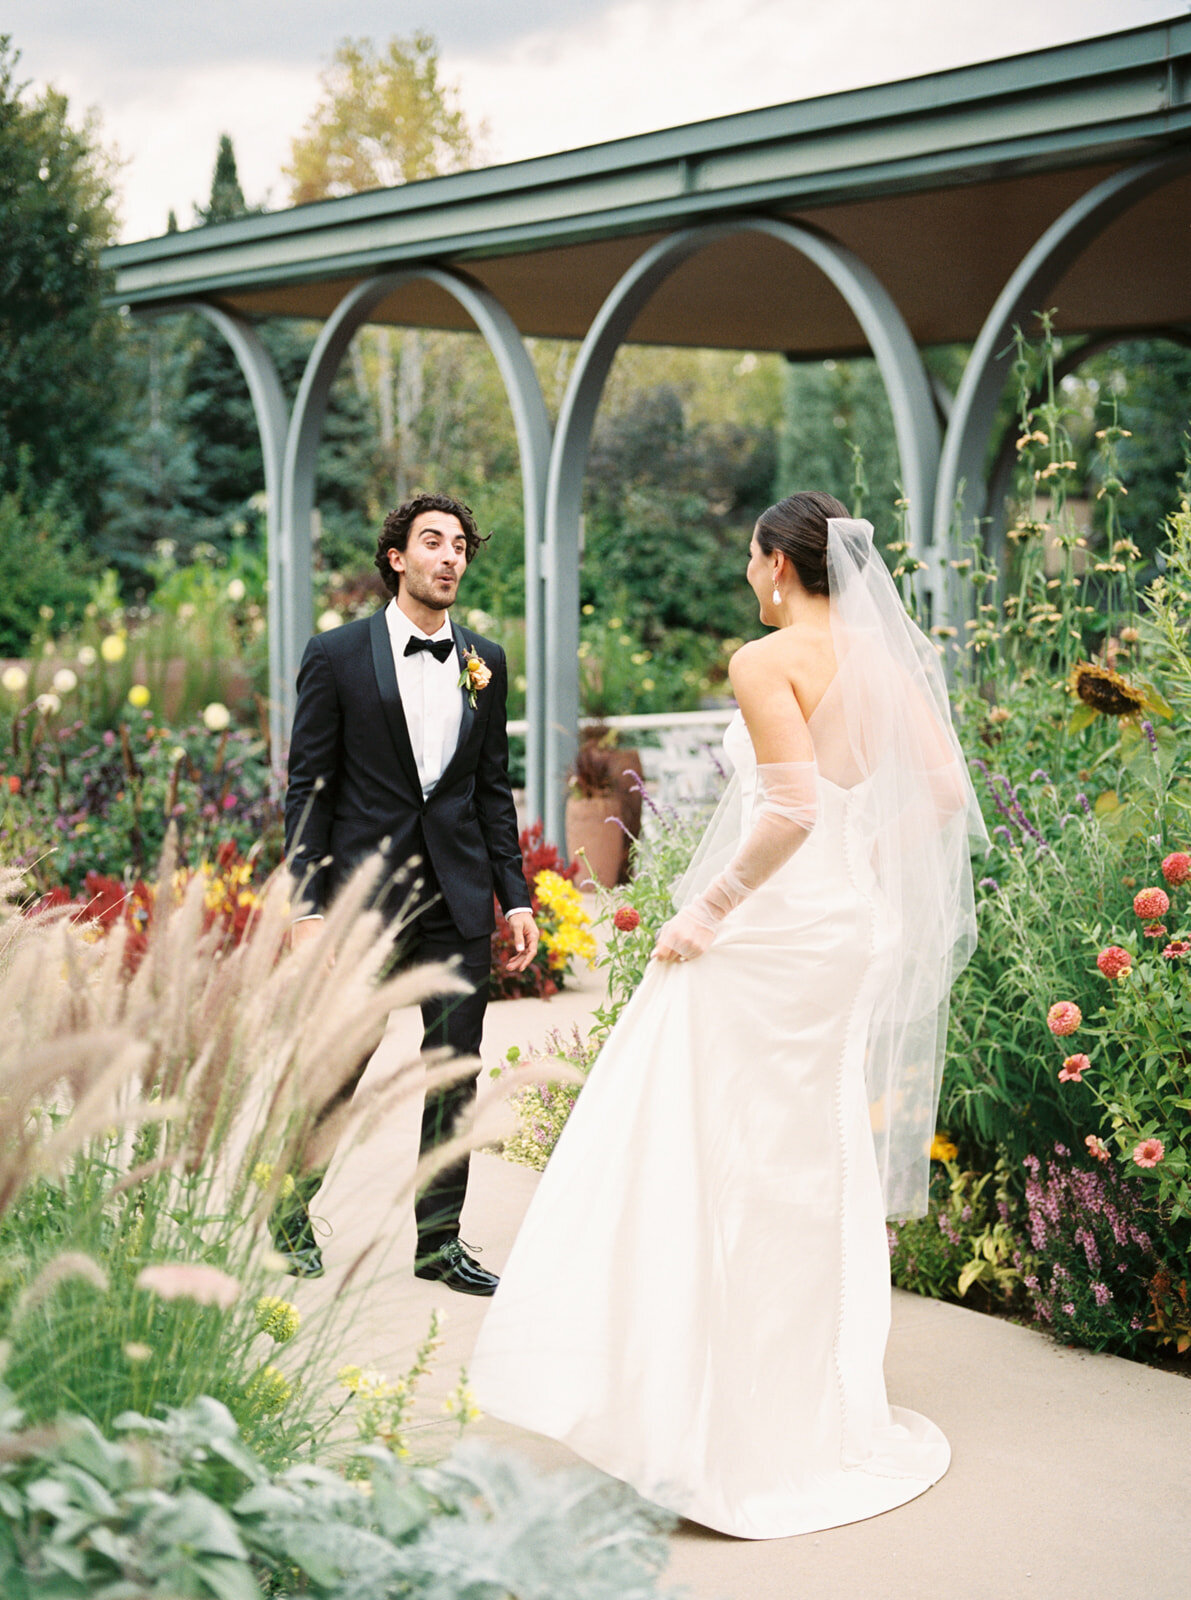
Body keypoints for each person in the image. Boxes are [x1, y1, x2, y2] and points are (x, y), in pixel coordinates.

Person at [470, 491, 988, 1539]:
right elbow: (938, 792)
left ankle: (701, 1409)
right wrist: (865, 865)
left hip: (776, 930)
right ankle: (801, 1407)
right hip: (845, 924)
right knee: (810, 1155)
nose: (748, 578)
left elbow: (791, 809)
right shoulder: (887, 664)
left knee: (695, 1136)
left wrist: (703, 911)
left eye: (750, 561)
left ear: (776, 566)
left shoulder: (767, 662)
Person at [282, 492, 538, 1292]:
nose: (450, 556)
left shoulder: (484, 661)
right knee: (341, 1064)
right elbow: (308, 790)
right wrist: (304, 904)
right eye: (433, 542)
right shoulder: (335, 655)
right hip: (364, 899)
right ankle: (285, 1213)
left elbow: (492, 791)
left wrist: (516, 896)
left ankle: (438, 1244)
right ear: (397, 558)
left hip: (457, 901)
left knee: (453, 1071)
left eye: (460, 545)